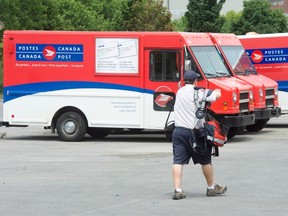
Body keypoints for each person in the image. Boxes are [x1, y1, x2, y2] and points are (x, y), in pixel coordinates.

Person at [171, 70, 227, 200]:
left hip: (178, 132)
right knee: (205, 161)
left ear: (185, 81)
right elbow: (216, 95)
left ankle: (178, 190)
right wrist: (218, 90)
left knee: (178, 161)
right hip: (195, 133)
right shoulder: (199, 92)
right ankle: (211, 188)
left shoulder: (179, 92)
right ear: (195, 81)